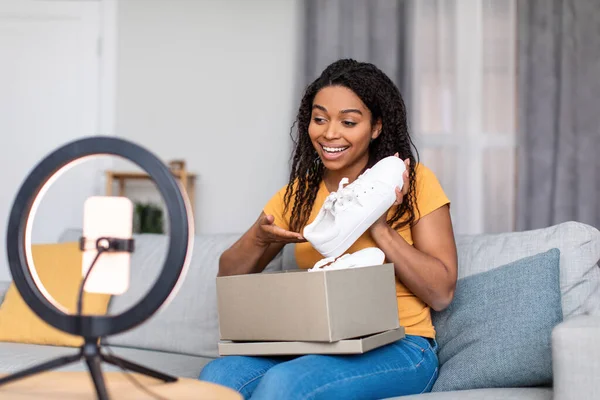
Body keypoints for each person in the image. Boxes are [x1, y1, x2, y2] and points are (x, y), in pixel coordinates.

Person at [200, 59, 458, 399]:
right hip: (316, 341)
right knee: (217, 375)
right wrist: (258, 238)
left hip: (401, 344)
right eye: (319, 119)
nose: (329, 133)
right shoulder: (301, 193)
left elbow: (442, 293)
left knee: (287, 383)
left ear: (376, 127)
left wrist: (378, 224)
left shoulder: (412, 184)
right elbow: (228, 277)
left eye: (348, 121)